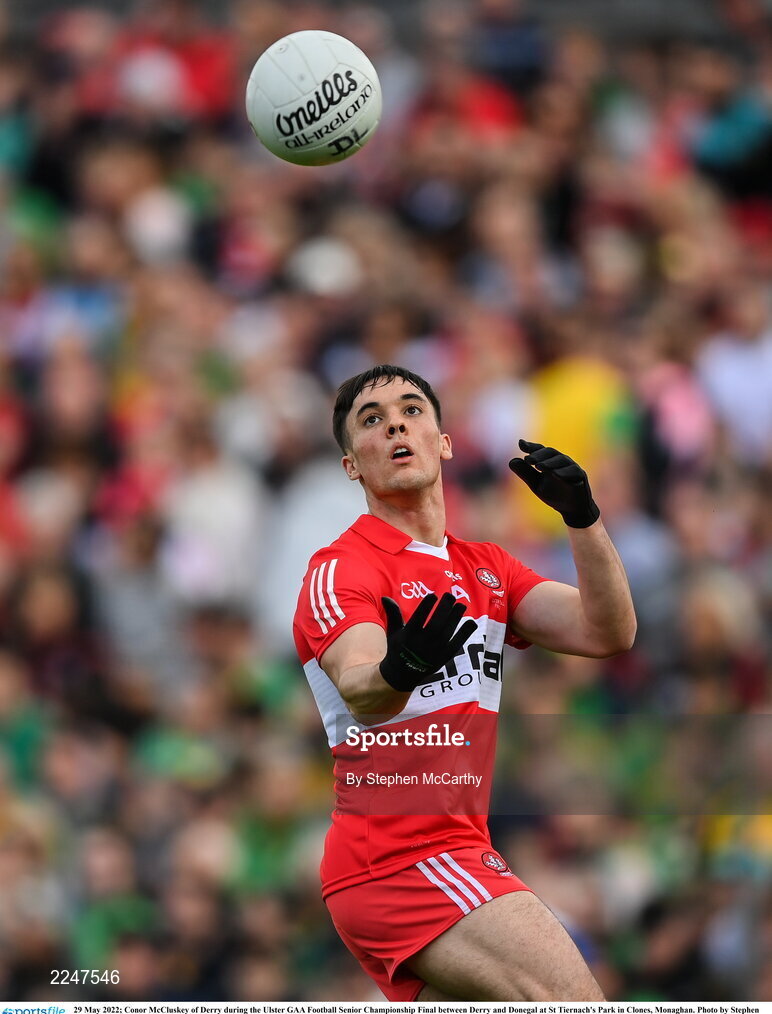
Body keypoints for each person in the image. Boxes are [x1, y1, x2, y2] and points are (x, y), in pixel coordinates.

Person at [293, 364, 636, 1001]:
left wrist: (584, 518)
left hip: (449, 846)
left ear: (444, 442)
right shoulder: (342, 569)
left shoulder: (487, 569)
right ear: (352, 467)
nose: (395, 422)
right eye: (371, 419)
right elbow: (361, 687)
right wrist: (403, 666)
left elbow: (606, 632)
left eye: (412, 410)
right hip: (400, 858)